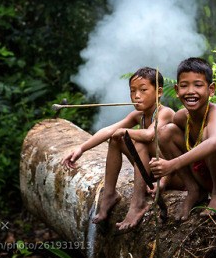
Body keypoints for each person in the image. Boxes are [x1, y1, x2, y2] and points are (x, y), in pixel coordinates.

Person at [61, 67, 174, 230]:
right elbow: (109, 130)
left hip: (170, 173)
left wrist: (126, 131)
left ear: (158, 92)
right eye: (132, 91)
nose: (136, 96)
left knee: (137, 140)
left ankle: (138, 204)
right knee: (116, 139)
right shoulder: (138, 116)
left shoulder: (165, 113)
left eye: (143, 90)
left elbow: (150, 134)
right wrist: (81, 148)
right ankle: (110, 194)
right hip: (150, 170)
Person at [150, 57, 216, 221]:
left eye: (198, 85)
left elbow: (214, 143)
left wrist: (172, 164)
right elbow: (167, 142)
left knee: (210, 135)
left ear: (211, 89)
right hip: (204, 173)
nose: (191, 91)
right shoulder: (181, 117)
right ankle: (194, 190)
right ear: (177, 90)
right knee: (165, 132)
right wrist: (162, 173)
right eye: (184, 86)